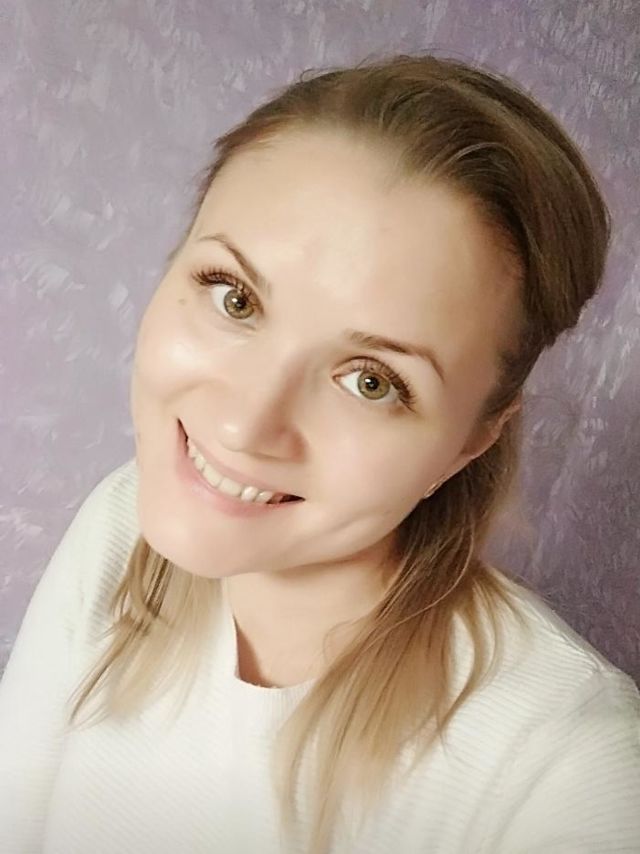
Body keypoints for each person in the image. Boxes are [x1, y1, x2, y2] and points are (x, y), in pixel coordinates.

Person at [1, 51, 638, 854]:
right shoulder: (120, 522)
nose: (245, 425)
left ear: (474, 438)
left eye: (372, 381)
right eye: (236, 298)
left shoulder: (566, 774)